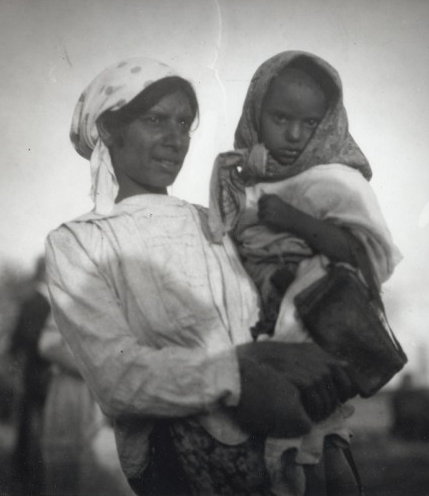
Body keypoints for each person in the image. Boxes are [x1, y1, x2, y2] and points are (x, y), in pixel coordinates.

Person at [45, 58, 356, 496]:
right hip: (178, 468)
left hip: (274, 454)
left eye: (184, 124)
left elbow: (266, 324)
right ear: (109, 129)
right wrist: (238, 375)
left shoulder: (213, 224)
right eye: (155, 120)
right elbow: (117, 377)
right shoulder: (80, 242)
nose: (175, 140)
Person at [209, 50, 402, 491]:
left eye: (310, 123)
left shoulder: (336, 179)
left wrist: (294, 221)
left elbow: (357, 253)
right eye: (280, 118)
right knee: (300, 444)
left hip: (316, 326)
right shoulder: (246, 175)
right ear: (256, 112)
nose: (295, 134)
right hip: (264, 328)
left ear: (328, 122)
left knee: (314, 440)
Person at [38, 316, 131, 495]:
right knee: (64, 469)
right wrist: (93, 371)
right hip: (72, 392)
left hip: (102, 402)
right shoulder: (67, 301)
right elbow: (48, 346)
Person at [10, 257, 52, 495]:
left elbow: (14, 342)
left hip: (32, 375)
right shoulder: (40, 303)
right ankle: (31, 481)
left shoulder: (31, 302)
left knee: (29, 428)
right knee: (37, 431)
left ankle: (25, 477)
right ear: (45, 273)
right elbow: (29, 339)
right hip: (42, 375)